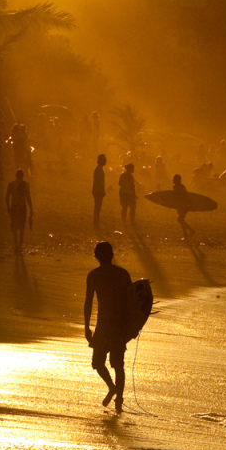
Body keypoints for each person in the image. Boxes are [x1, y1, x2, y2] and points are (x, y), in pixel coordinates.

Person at [84, 241, 132, 415]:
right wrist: (132, 327)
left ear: (97, 256)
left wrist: (86, 326)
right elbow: (132, 301)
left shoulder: (94, 275)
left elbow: (88, 303)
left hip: (104, 325)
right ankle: (118, 398)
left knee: (98, 363)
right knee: (118, 365)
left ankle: (113, 389)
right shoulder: (122, 274)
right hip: (119, 326)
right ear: (111, 255)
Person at [5, 168, 33, 256]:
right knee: (22, 228)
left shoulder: (11, 184)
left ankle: (16, 245)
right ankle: (20, 246)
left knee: (14, 227)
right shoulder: (26, 185)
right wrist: (31, 209)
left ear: (16, 176)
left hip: (14, 207)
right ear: (23, 176)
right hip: (22, 208)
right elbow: (28, 198)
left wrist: (8, 207)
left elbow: (7, 197)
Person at [172, 173, 193, 239]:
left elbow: (183, 196)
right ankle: (188, 233)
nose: (173, 180)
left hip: (184, 205)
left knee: (180, 220)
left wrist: (182, 205)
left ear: (178, 180)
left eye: (174, 179)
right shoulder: (176, 187)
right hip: (182, 205)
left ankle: (189, 233)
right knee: (181, 220)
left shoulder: (180, 187)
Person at [118, 162, 137, 226]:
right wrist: (134, 195)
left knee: (124, 208)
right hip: (129, 194)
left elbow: (119, 183)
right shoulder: (130, 176)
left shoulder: (122, 175)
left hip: (123, 193)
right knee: (132, 208)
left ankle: (124, 222)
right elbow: (132, 187)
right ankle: (132, 222)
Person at [92, 154, 107, 229]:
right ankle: (96, 224)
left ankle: (96, 223)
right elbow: (99, 182)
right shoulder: (99, 169)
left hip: (98, 190)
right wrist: (101, 190)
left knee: (97, 207)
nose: (105, 161)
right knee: (97, 208)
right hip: (98, 191)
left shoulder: (99, 169)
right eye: (103, 160)